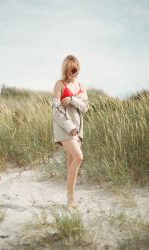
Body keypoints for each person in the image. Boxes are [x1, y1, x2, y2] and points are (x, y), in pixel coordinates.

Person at [52, 54, 89, 208]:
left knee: (71, 162)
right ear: (64, 70)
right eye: (67, 71)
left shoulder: (81, 86)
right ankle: (71, 198)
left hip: (78, 129)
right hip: (64, 128)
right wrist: (69, 127)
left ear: (77, 69)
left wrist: (73, 100)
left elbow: (85, 107)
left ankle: (69, 200)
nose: (70, 74)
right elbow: (56, 110)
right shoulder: (59, 84)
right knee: (79, 157)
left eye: (73, 70)